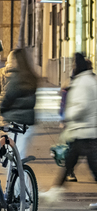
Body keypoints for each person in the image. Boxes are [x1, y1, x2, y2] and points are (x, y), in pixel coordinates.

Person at [41, 53, 97, 203]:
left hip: (85, 131)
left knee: (92, 166)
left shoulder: (84, 82)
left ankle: (55, 192)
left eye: (73, 64)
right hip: (84, 131)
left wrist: (69, 114)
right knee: (70, 163)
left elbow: (82, 106)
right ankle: (54, 192)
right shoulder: (87, 80)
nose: (72, 67)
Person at [0, 49, 38, 159]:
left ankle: (19, 175)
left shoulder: (16, 78)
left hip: (15, 120)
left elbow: (9, 96)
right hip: (27, 120)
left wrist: (2, 109)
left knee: (13, 155)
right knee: (19, 152)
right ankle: (22, 175)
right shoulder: (31, 77)